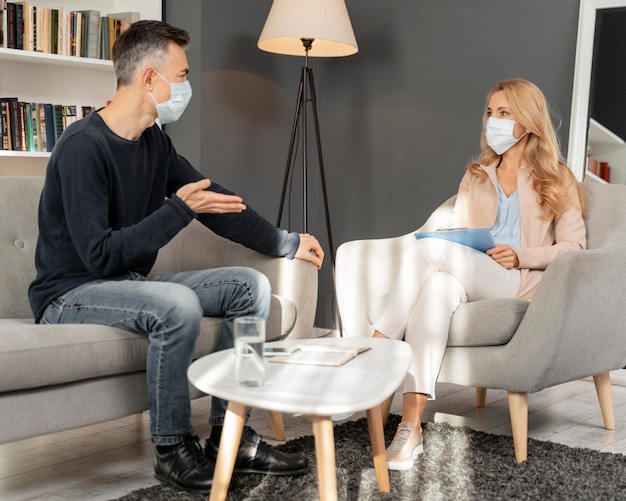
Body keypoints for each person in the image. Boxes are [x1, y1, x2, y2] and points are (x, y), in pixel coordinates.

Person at [28, 20, 324, 494]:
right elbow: (100, 257)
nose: (187, 86)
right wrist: (178, 209)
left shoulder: (153, 144)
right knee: (177, 305)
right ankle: (171, 449)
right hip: (68, 294)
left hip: (121, 283)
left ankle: (234, 436)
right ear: (150, 79)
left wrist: (285, 241)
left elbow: (215, 202)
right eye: (182, 76)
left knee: (251, 287)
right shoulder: (83, 147)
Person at [372, 79, 587, 470]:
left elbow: (574, 247)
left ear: (528, 121)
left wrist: (520, 253)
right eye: (490, 112)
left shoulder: (557, 178)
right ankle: (410, 428)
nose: (494, 121)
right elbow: (456, 232)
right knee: (436, 287)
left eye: (505, 113)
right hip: (471, 274)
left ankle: (373, 350)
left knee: (426, 252)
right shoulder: (477, 174)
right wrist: (450, 237)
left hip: (517, 281)